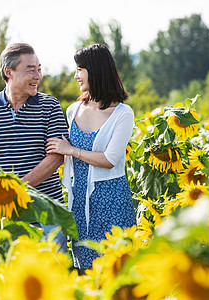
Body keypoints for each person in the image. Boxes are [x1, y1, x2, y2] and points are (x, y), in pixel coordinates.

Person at [46, 44, 136, 270]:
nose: (76, 75)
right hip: (79, 201)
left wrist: (72, 151)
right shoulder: (73, 110)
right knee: (85, 269)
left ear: (95, 70)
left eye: (80, 69)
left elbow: (109, 159)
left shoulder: (122, 114)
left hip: (112, 200)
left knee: (115, 269)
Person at [0, 42, 68, 202]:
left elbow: (56, 156)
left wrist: (16, 188)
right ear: (8, 72)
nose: (38, 76)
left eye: (39, 69)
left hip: (45, 209)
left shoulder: (50, 105)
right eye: (30, 70)